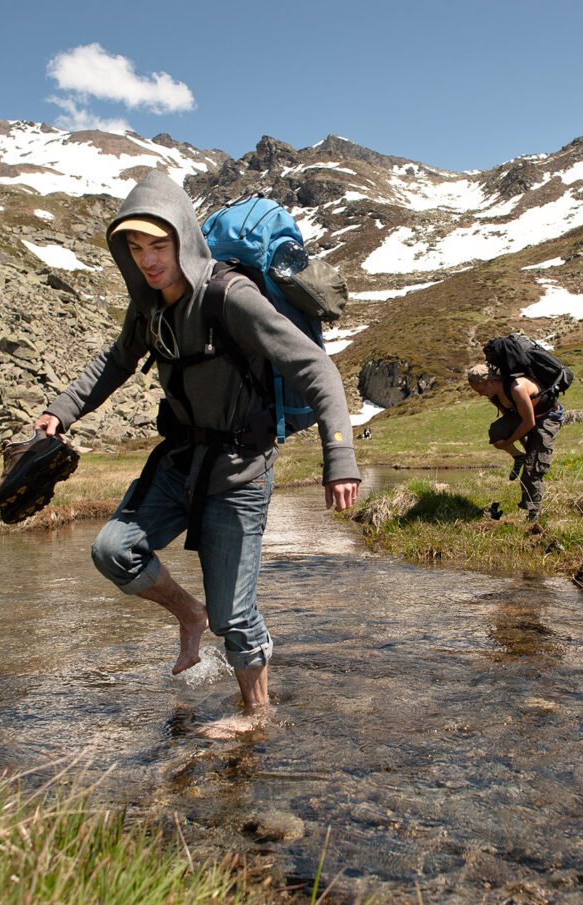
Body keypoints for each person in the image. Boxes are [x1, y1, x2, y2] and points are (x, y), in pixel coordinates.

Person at [35, 171, 360, 738]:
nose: (148, 261)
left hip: (240, 469)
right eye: (135, 249)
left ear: (183, 238)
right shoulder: (149, 308)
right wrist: (60, 411)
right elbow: (111, 366)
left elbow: (316, 369)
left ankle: (256, 716)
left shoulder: (229, 295)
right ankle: (190, 614)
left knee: (236, 616)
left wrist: (341, 457)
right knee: (114, 550)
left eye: (158, 246)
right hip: (181, 461)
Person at [466, 362, 563, 524]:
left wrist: (509, 442)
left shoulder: (517, 388)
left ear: (489, 382)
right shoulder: (494, 395)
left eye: (481, 390)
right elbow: (512, 421)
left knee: (532, 469)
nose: (480, 394)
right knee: (497, 433)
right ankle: (519, 457)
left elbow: (529, 423)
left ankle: (533, 517)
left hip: (547, 417)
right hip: (527, 418)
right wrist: (523, 445)